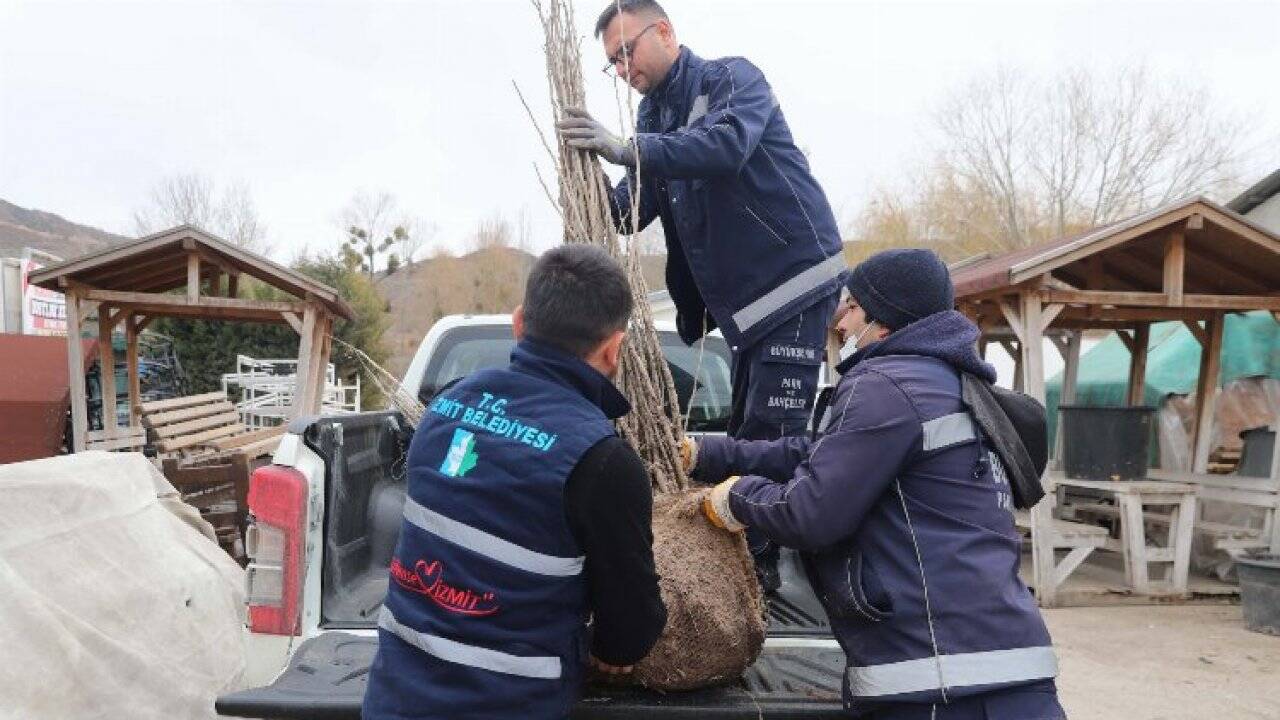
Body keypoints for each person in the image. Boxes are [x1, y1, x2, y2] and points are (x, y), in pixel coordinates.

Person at [688, 249, 1066, 719]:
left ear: (882, 319)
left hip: (940, 684)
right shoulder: (944, 383)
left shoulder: (887, 384)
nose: (840, 322)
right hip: (1002, 670)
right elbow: (815, 454)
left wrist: (737, 498)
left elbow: (811, 513)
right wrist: (706, 453)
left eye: (850, 306)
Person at [557, 0, 846, 591]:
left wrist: (626, 149)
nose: (621, 69)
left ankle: (759, 576)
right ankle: (747, 555)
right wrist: (582, 185)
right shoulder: (652, 121)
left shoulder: (731, 79)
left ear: (663, 31)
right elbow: (633, 206)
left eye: (626, 51)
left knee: (768, 432)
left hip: (790, 280)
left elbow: (723, 147)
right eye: (611, 61)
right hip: (744, 311)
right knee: (746, 431)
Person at [363, 245, 667, 720]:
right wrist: (613, 648)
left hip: (394, 702)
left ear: (520, 323)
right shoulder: (602, 460)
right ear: (613, 349)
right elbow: (631, 630)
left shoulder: (443, 411)